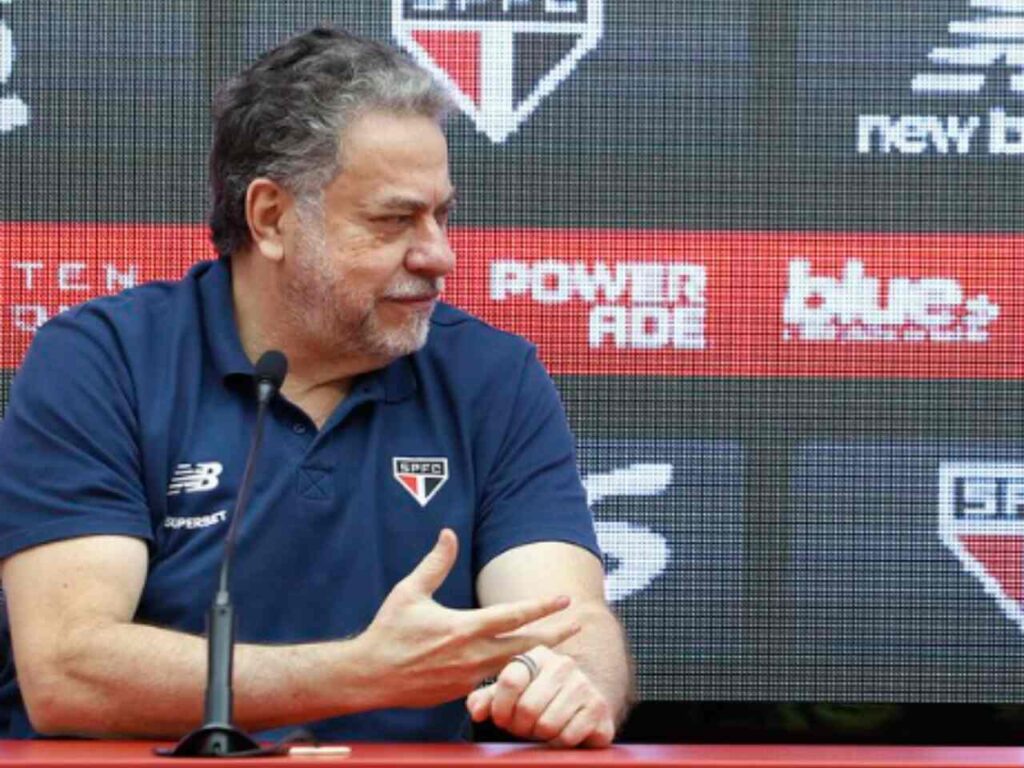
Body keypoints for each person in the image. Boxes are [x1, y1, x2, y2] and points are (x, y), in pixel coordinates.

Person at [0, 28, 633, 746]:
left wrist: (571, 686)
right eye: (394, 220)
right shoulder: (101, 360)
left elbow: (572, 627)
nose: (439, 256)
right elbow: (68, 671)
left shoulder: (493, 377)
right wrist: (359, 674)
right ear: (271, 218)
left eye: (442, 214)